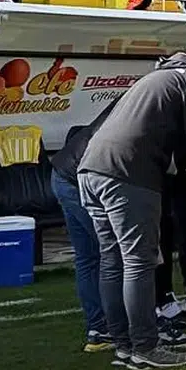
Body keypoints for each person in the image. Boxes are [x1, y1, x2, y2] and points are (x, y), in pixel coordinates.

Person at [78, 41, 186, 370]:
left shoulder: (165, 73)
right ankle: (146, 347)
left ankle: (124, 345)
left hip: (91, 168)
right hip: (130, 174)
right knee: (138, 262)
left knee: (114, 262)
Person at [50, 107, 118, 352]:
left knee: (89, 258)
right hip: (79, 178)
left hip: (62, 173)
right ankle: (122, 325)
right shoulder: (144, 109)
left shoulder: (132, 100)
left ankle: (98, 327)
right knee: (114, 255)